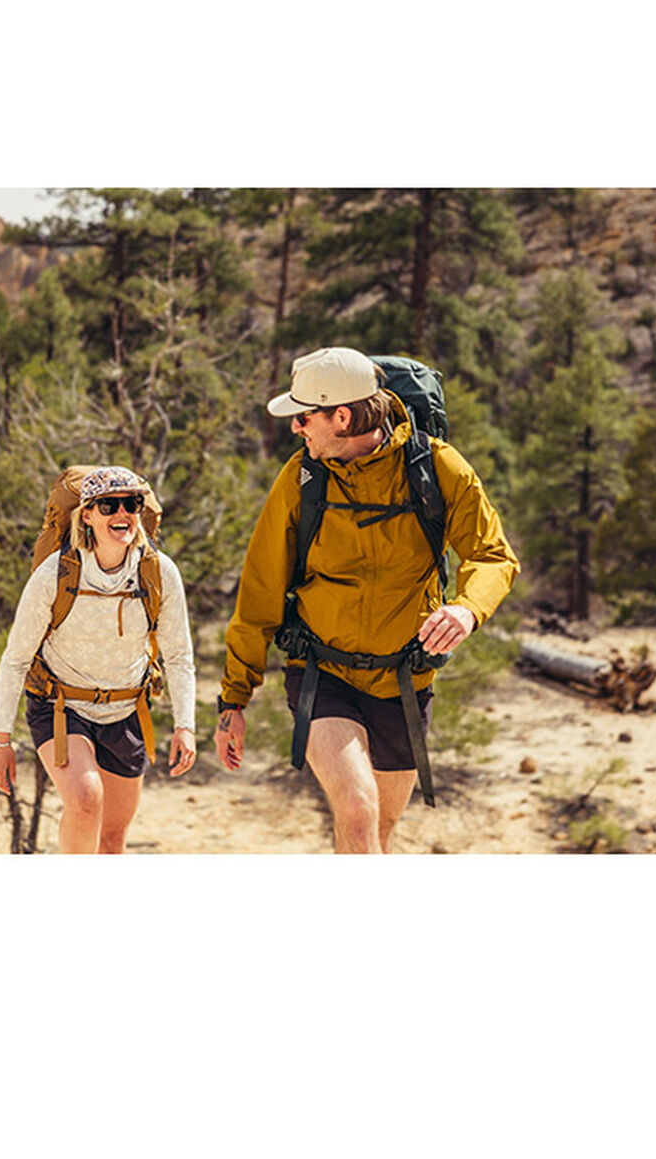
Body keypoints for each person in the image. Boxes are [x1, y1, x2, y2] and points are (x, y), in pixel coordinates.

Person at [214, 347, 519, 854]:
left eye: (304, 417)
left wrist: (467, 608)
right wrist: (234, 700)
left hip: (403, 682)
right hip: (321, 674)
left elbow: (493, 555)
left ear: (342, 416)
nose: (296, 429)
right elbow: (259, 593)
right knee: (357, 809)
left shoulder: (437, 468)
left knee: (378, 832)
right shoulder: (302, 477)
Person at [0, 465, 196, 853]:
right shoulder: (55, 574)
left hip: (127, 710)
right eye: (108, 506)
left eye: (131, 504)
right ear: (86, 515)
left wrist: (186, 725)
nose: (122, 513)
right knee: (86, 800)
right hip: (61, 706)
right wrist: (1, 740)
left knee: (113, 841)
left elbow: (179, 656)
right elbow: (15, 659)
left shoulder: (159, 572)